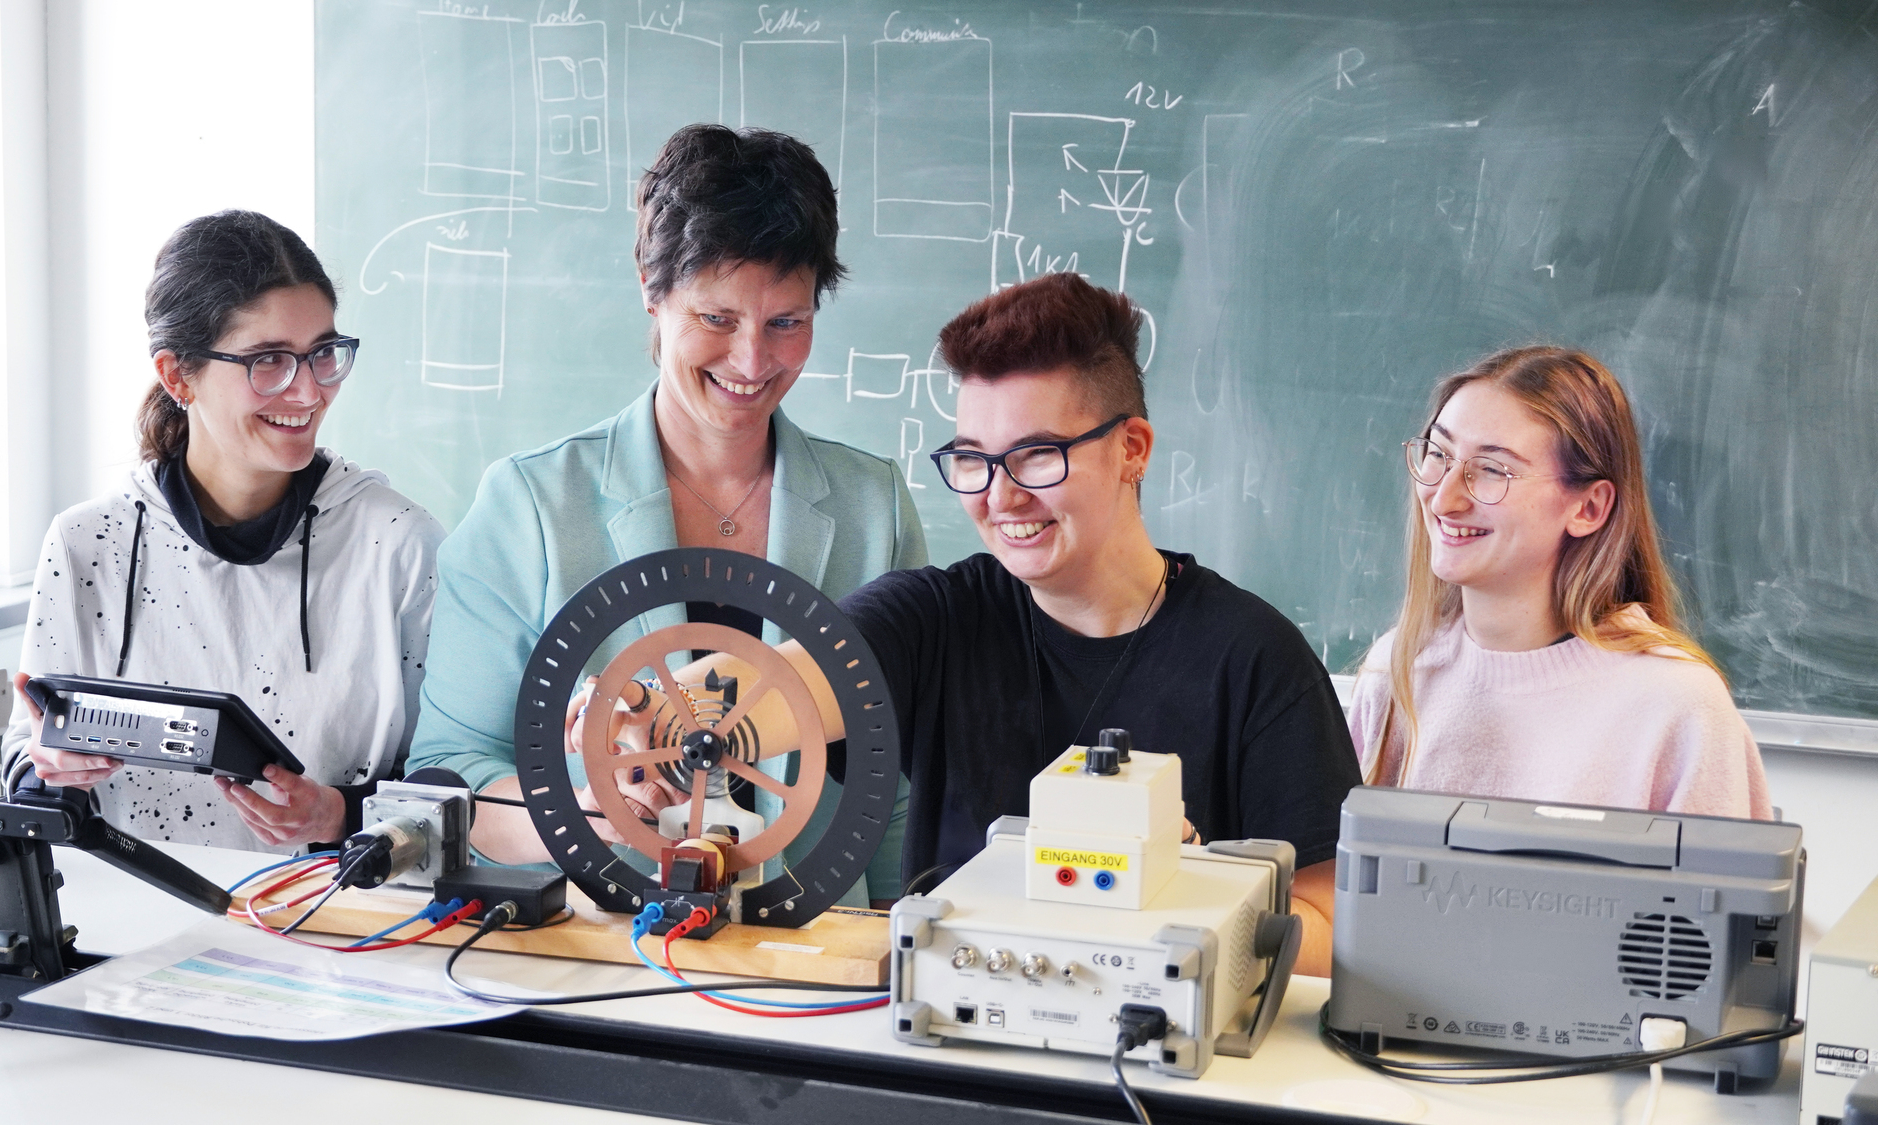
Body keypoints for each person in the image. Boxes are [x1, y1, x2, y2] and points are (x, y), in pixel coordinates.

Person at [591, 273, 1359, 973]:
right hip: (956, 1055)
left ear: (1131, 450)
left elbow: (1331, 932)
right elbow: (781, 681)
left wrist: (1177, 888)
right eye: (974, 460)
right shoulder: (937, 619)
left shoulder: (1258, 662)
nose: (1001, 496)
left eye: (1037, 456)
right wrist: (642, 707)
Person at [406, 125, 926, 904]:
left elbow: (892, 785)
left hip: (814, 966)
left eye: (786, 322)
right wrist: (573, 816)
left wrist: (892, 956)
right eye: (716, 319)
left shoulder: (871, 508)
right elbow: (449, 776)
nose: (752, 362)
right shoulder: (531, 506)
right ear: (651, 288)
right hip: (598, 954)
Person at [3, 210, 446, 851]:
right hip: (130, 921)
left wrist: (344, 815)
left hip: (336, 922)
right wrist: (50, 772)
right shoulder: (87, 544)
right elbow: (28, 759)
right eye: (268, 360)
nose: (308, 390)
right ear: (178, 375)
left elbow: (459, 771)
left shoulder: (400, 545)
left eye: (322, 353)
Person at [1347, 346, 1771, 818]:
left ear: (1588, 508)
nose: (1444, 499)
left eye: (1491, 470)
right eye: (1439, 454)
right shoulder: (1397, 671)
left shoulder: (1680, 706)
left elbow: (1718, 891)